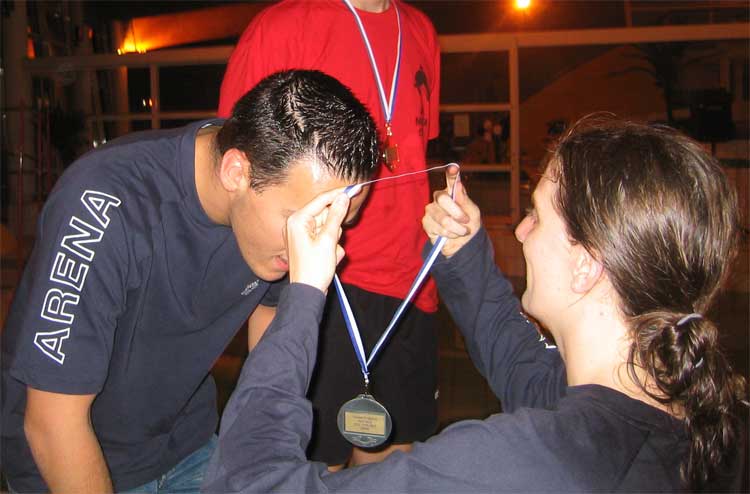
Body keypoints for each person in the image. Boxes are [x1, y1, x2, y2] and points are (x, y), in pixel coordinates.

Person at [202, 117, 747, 492]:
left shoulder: (514, 465)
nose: (523, 231)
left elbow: (247, 483)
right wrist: (464, 253)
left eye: (536, 215)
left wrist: (303, 294)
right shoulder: (692, 416)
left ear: (586, 265)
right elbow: (525, 367)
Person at [1, 69, 379, 493]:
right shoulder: (103, 203)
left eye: (340, 223)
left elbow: (269, 336)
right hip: (72, 459)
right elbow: (52, 423)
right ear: (236, 172)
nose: (321, 244)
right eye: (304, 222)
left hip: (188, 444)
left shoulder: (279, 204)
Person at [218, 0, 442, 468]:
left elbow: (414, 149)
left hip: (411, 285)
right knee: (311, 469)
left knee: (393, 471)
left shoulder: (421, 30)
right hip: (322, 281)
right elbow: (240, 173)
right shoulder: (283, 28)